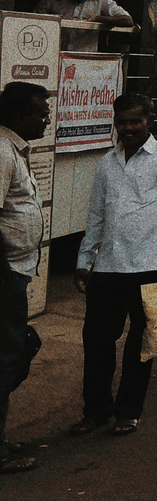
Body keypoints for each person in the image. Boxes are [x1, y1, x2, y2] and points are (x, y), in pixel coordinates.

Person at [71, 93, 157, 437]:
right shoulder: (107, 163)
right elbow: (95, 215)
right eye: (122, 122)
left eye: (135, 121)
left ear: (149, 121)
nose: (128, 128)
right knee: (96, 343)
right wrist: (84, 260)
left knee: (141, 345)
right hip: (108, 267)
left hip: (150, 266)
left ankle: (128, 411)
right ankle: (95, 411)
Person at [0, 83, 50, 473]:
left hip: (16, 271)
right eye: (38, 112)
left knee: (13, 351)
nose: (46, 118)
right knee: (7, 356)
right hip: (4, 275)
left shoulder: (15, 149)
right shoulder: (2, 151)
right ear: (17, 115)